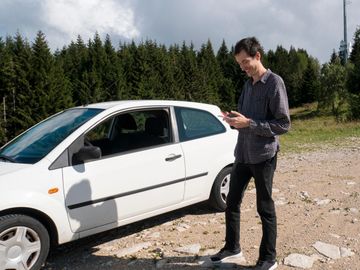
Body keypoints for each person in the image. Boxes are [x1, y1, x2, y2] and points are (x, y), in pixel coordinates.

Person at [210, 37, 290, 270]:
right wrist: (233, 119)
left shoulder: (275, 83)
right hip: (243, 154)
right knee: (232, 203)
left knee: (264, 207)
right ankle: (232, 249)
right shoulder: (247, 85)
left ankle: (268, 259)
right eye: (239, 64)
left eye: (245, 62)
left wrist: (250, 124)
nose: (243, 67)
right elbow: (245, 119)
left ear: (258, 56)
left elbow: (283, 124)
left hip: (264, 156)